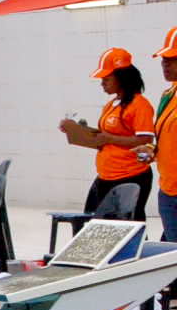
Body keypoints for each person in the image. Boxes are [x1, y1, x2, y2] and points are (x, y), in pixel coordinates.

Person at [61, 48, 155, 223]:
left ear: (121, 78)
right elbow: (103, 139)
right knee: (97, 223)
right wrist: (76, 131)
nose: (102, 83)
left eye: (106, 79)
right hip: (106, 175)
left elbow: (145, 141)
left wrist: (110, 139)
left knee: (127, 226)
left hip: (130, 176)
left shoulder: (139, 105)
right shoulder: (112, 104)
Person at [148, 29, 177, 242]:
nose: (165, 65)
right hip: (168, 189)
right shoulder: (168, 96)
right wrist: (152, 150)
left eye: (172, 60)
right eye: (164, 60)